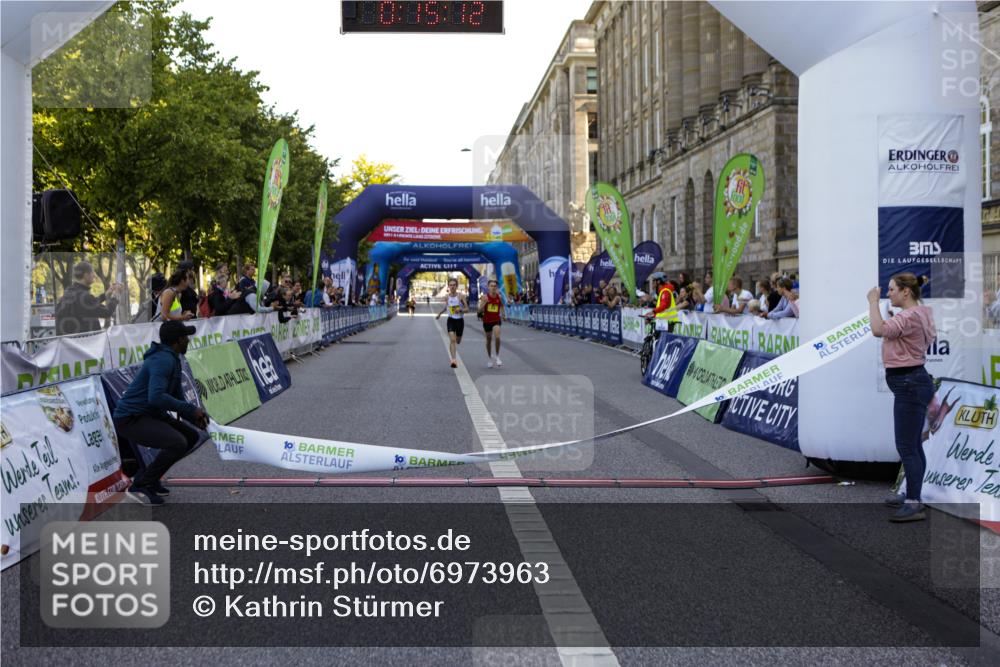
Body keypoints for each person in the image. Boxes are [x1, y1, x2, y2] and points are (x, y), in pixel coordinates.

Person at [112, 321, 209, 505]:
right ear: (179, 340)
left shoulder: (172, 358)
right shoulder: (162, 361)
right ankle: (141, 484)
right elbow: (155, 398)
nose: (189, 341)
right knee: (177, 442)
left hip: (149, 413)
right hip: (130, 418)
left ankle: (149, 477)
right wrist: (190, 410)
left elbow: (176, 396)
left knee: (190, 436)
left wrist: (193, 416)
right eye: (186, 337)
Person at [868, 273, 937, 523]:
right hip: (913, 381)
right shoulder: (922, 313)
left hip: (910, 383)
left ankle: (913, 502)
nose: (888, 293)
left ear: (906, 292)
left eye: (892, 290)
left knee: (907, 446)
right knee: (914, 446)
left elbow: (877, 330)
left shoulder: (909, 316)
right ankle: (912, 494)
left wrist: (872, 302)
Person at [55, 261, 124, 335]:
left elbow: (88, 305)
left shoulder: (69, 292)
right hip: (86, 343)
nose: (94, 276)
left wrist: (107, 293)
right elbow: (106, 312)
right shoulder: (84, 296)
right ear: (86, 275)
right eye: (92, 273)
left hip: (69, 342)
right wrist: (116, 294)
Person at [436, 277, 468, 368]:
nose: (452, 287)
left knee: (458, 341)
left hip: (460, 321)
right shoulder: (447, 297)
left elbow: (467, 309)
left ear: (456, 286)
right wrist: (440, 314)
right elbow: (447, 307)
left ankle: (454, 356)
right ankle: (453, 360)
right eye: (451, 285)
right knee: (452, 340)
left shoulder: (461, 296)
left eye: (454, 285)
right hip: (451, 320)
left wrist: (461, 310)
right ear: (448, 286)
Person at [478, 279, 506, 368]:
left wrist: (503, 314)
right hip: (487, 321)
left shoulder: (499, 297)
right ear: (488, 287)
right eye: (491, 286)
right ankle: (490, 358)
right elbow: (479, 310)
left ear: (496, 287)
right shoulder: (484, 297)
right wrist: (484, 303)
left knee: (497, 336)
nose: (493, 287)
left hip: (496, 320)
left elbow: (501, 306)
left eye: (495, 286)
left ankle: (497, 356)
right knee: (489, 340)